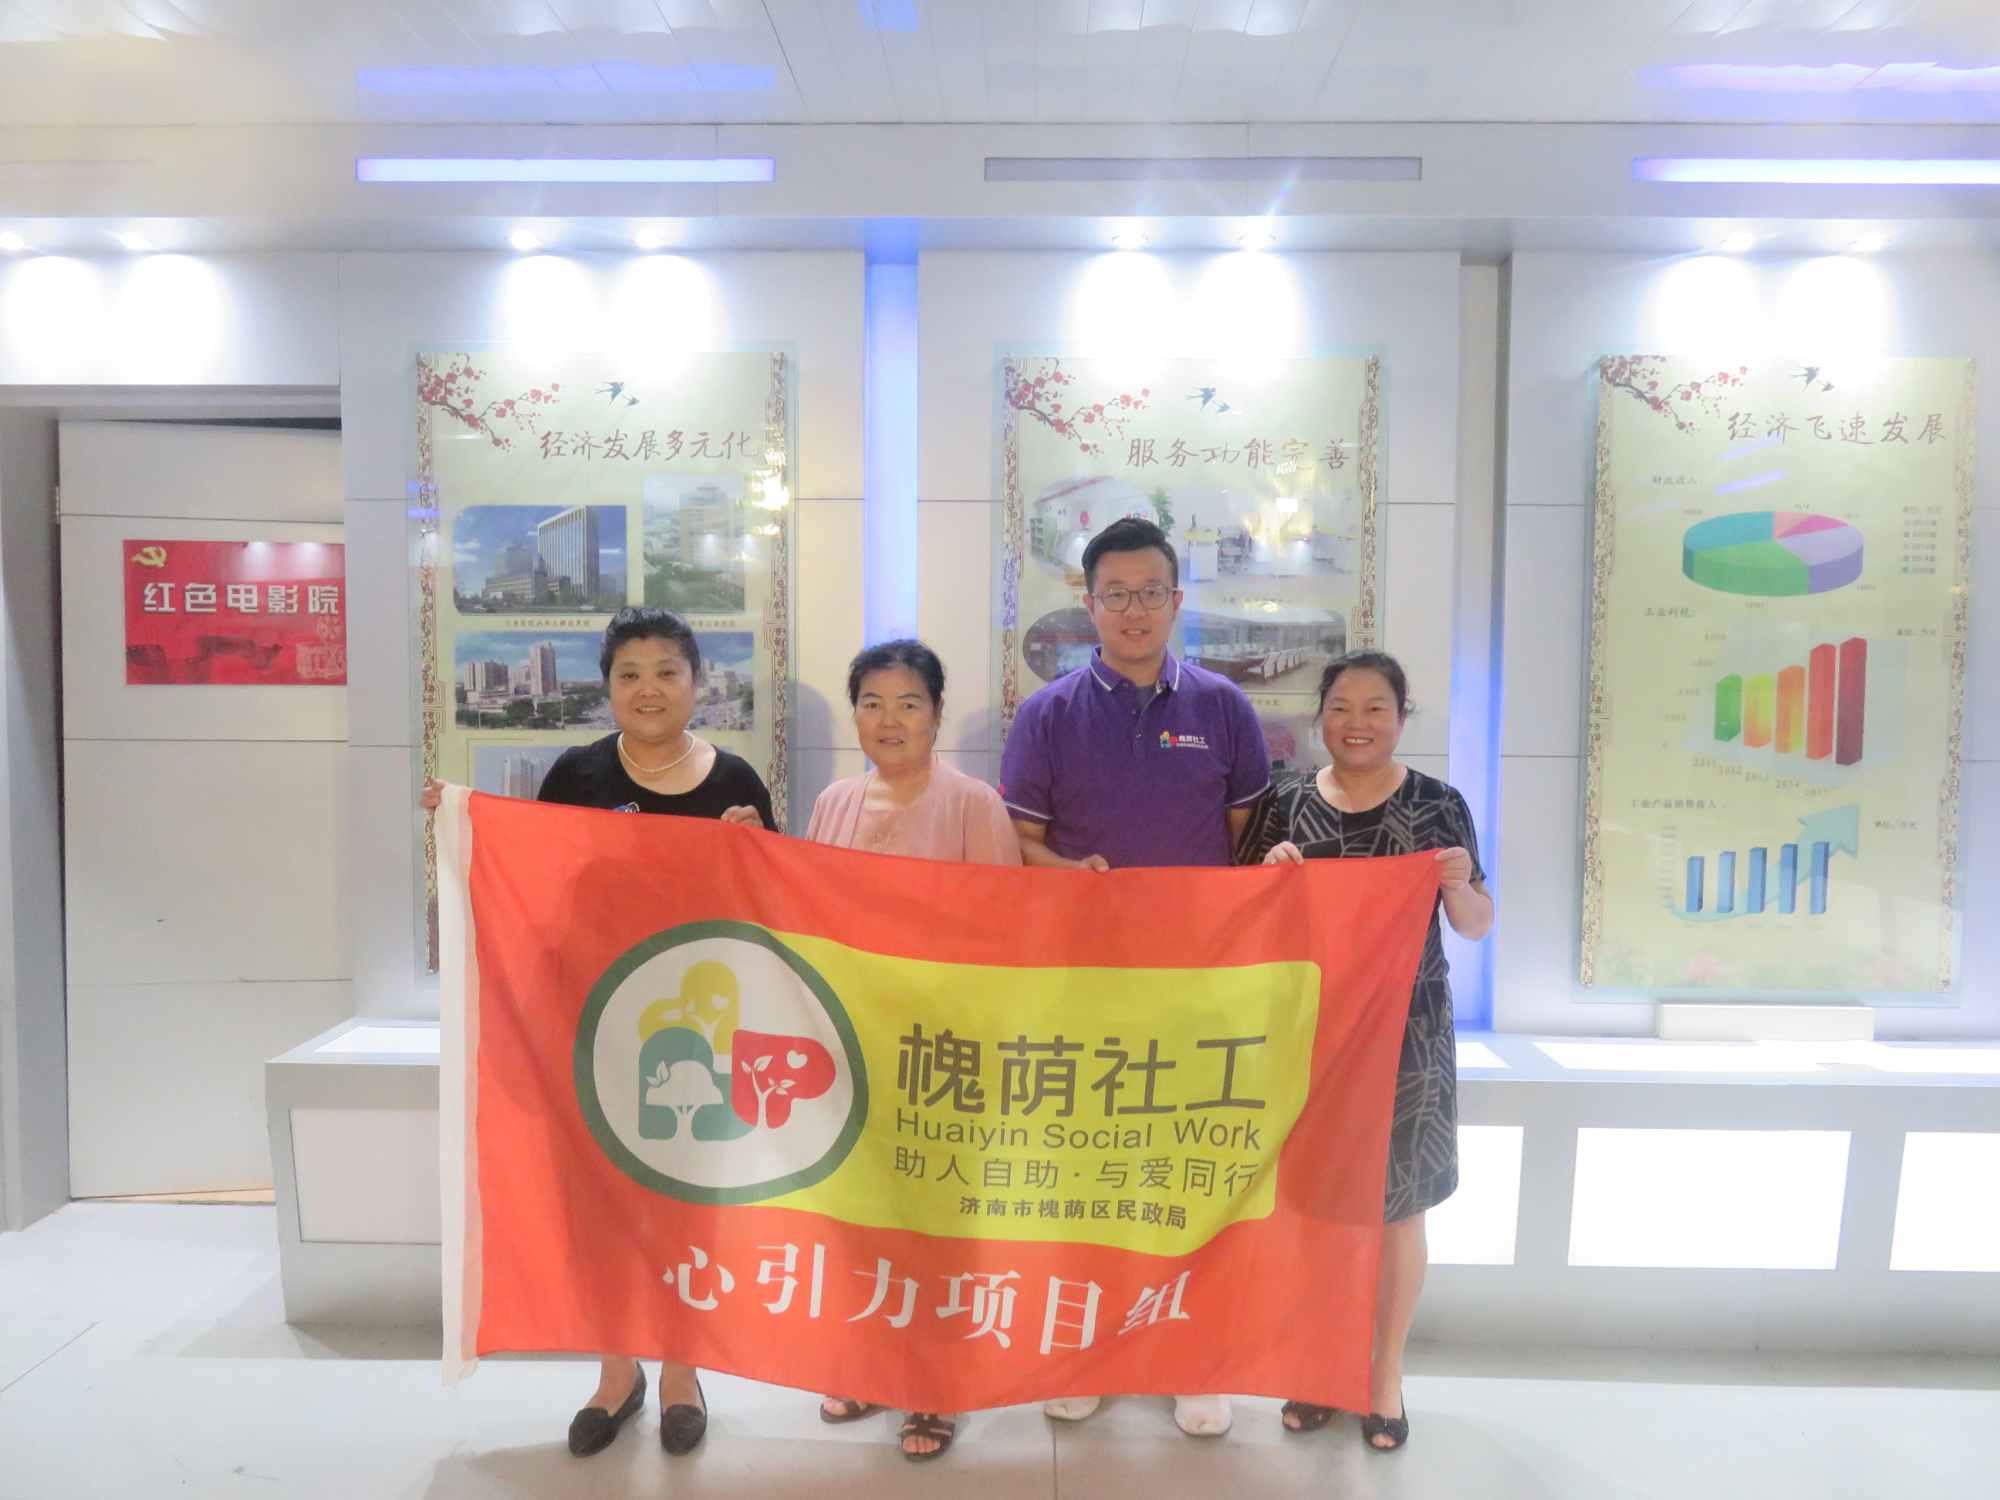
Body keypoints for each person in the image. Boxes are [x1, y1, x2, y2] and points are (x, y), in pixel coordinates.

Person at [421, 605, 774, 1461]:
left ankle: (684, 1370)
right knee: (599, 1202)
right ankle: (618, 1373)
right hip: (590, 1020)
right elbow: (536, 882)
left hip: (698, 1031)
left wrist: (759, 852)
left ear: (697, 684)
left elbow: (773, 910)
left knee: (688, 1202)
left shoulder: (736, 782)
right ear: (607, 688)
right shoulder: (576, 774)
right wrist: (465, 823)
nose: (649, 689)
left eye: (667, 672)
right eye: (630, 674)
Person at [997, 515, 1270, 1439]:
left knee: (1189, 1170)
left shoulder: (1224, 709)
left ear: (1177, 600)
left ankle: (1193, 1358)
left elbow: (1241, 840)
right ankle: (1087, 1351)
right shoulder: (1048, 715)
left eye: (1151, 591)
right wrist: (1074, 879)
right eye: (1115, 594)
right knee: (1087, 1175)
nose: (1134, 610)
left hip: (1198, 984)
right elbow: (1021, 844)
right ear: (1089, 605)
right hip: (1083, 983)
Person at [1241, 649, 1493, 1454]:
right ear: (1321, 715)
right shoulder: (1285, 801)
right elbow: (1240, 921)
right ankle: (1321, 1368)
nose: (1357, 723)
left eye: (1376, 707)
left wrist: (1458, 882)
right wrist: (1270, 876)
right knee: (1314, 1209)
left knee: (1398, 1209)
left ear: (1401, 716)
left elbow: (1477, 924)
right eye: (1342, 707)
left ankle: (1384, 1378)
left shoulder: (1437, 805)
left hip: (1408, 1040)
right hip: (1308, 1037)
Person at [806, 638, 1021, 1461]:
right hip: (854, 1043)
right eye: (872, 703)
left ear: (935, 714)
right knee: (862, 1213)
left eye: (907, 704)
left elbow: (1001, 931)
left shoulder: (973, 803)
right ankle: (869, 1364)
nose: (888, 720)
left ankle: (935, 1385)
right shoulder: (832, 803)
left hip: (944, 1050)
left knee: (938, 1221)